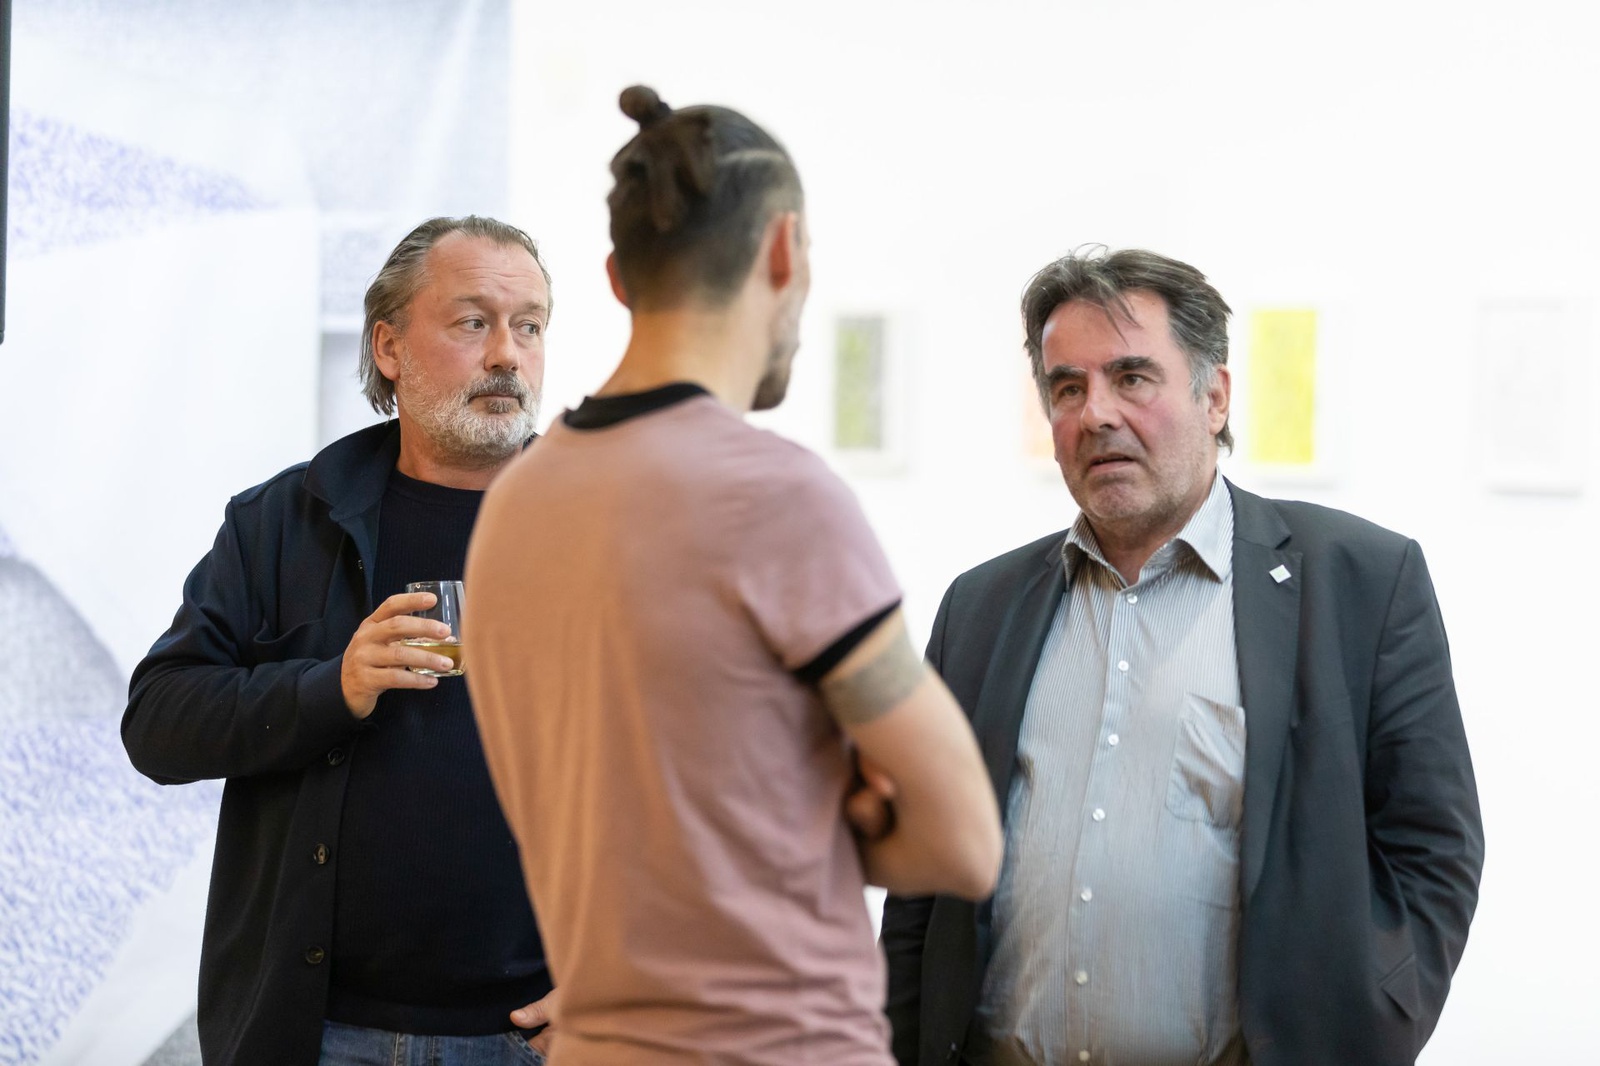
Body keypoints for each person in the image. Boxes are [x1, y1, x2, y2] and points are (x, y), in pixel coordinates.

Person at [465, 86, 1003, 1066]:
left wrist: (752, 812)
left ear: (618, 278)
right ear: (785, 249)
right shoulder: (776, 498)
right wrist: (825, 808)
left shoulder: (514, 505)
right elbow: (964, 839)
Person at [881, 247, 1485, 1066]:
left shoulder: (1360, 583)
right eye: (1067, 388)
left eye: (1132, 377)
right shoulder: (980, 608)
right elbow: (924, 884)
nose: (1096, 413)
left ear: (1215, 396)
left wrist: (1369, 1029)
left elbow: (1433, 848)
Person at [123, 216, 559, 1066]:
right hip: (319, 1034)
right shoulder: (284, 522)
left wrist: (619, 980)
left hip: (535, 1039)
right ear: (389, 347)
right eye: (474, 322)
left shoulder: (604, 529)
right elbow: (158, 724)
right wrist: (334, 687)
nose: (507, 354)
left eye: (530, 326)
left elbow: (691, 782)